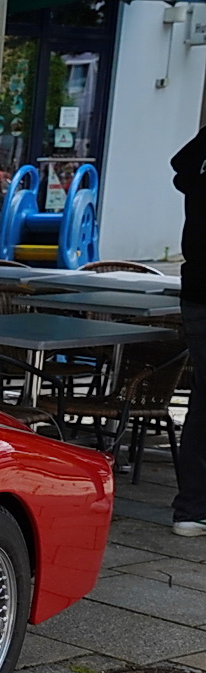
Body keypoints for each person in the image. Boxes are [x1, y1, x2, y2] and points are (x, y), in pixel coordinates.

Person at [171, 126, 206, 534]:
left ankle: (193, 507)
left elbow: (180, 167)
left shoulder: (196, 163)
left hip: (197, 291)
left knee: (204, 398)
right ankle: (194, 506)